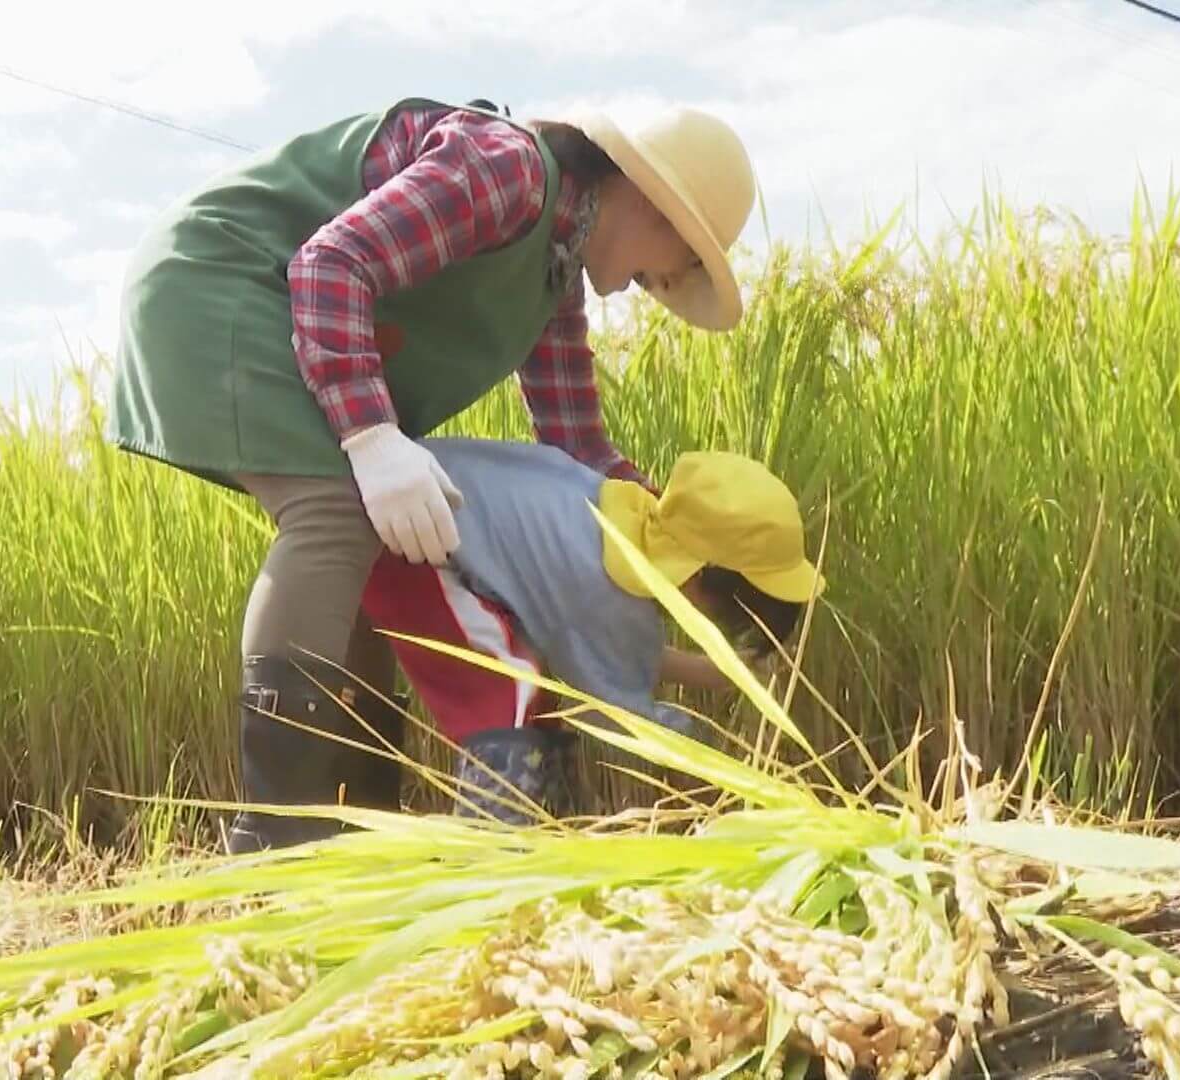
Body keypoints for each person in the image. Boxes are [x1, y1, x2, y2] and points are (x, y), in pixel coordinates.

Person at [106, 95, 759, 853]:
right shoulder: (506, 171)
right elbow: (330, 264)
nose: (658, 286)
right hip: (221, 281)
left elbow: (580, 447)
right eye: (682, 262)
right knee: (336, 516)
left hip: (280, 304)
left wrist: (691, 550)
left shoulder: (553, 279)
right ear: (652, 204)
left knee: (372, 543)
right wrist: (372, 436)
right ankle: (280, 834)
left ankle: (356, 821)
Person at [359, 439, 823, 823]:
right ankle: (487, 856)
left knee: (536, 696)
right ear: (702, 577)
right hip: (411, 532)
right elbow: (617, 717)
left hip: (431, 513)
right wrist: (723, 759)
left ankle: (555, 829)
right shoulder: (606, 588)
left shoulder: (624, 524)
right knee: (508, 698)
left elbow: (601, 646)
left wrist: (713, 672)